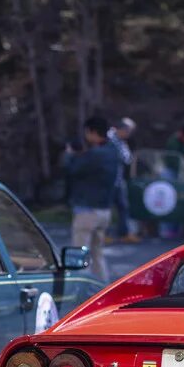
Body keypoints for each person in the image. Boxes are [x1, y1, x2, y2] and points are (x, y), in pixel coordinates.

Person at [63, 116, 121, 281]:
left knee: (79, 254)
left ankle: (79, 291)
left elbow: (72, 170)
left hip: (87, 210)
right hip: (104, 210)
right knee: (97, 254)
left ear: (93, 132)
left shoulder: (95, 154)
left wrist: (70, 155)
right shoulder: (112, 151)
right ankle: (102, 288)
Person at [106, 117, 139, 243]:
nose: (129, 134)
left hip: (118, 180)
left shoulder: (121, 141)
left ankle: (124, 233)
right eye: (129, 131)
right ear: (122, 129)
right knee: (107, 208)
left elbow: (127, 158)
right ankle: (105, 234)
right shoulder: (109, 138)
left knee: (123, 207)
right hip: (108, 180)